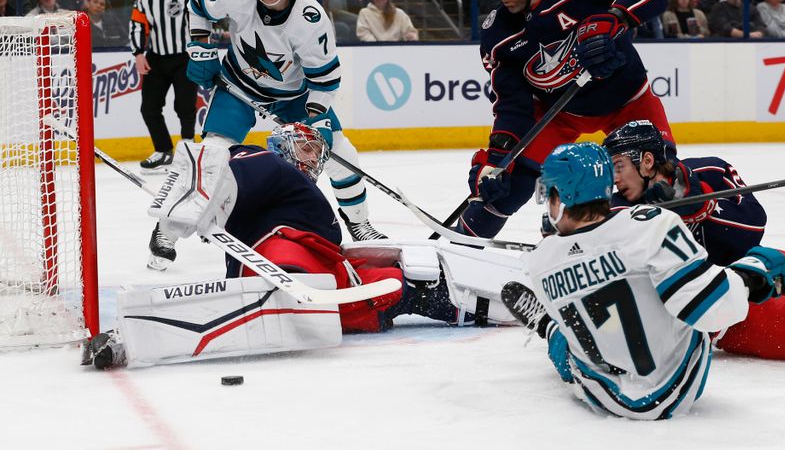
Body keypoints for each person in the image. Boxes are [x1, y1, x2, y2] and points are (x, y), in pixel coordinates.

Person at [83, 123, 529, 369]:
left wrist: (206, 207)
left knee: (413, 273)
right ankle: (512, 300)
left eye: (315, 155)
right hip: (292, 271)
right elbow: (248, 172)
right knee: (409, 281)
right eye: (306, 153)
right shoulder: (272, 167)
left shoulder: (270, 179)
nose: (312, 162)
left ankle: (503, 301)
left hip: (283, 270)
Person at [502, 141, 785, 419]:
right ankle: (549, 325)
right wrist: (751, 275)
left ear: (559, 197)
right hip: (676, 386)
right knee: (727, 275)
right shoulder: (651, 224)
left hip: (602, 396)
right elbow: (713, 311)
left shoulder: (542, 259)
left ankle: (546, 325)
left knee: (571, 347)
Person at [456, 0, 670, 240]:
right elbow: (513, 105)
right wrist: (495, 160)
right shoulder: (497, 35)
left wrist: (616, 17)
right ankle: (457, 252)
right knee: (505, 187)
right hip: (559, 114)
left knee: (657, 178)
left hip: (628, 99)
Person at [184, 0, 387, 249]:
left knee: (341, 154)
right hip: (238, 87)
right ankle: (184, 224)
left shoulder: (310, 18)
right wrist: (201, 46)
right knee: (212, 153)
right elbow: (198, 5)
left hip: (295, 97)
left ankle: (358, 222)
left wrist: (315, 119)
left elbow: (325, 79)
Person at [602, 119, 785, 360]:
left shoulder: (712, 171)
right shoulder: (618, 210)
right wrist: (660, 219)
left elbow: (754, 226)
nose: (615, 179)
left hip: (748, 268)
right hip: (713, 310)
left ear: (646, 161)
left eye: (619, 166)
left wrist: (703, 205)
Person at [129, 0, 197, 175]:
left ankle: (187, 148)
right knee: (149, 108)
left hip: (184, 56)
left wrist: (199, 49)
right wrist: (138, 53)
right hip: (156, 57)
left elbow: (201, 20)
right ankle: (163, 150)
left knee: (186, 106)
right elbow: (138, 24)